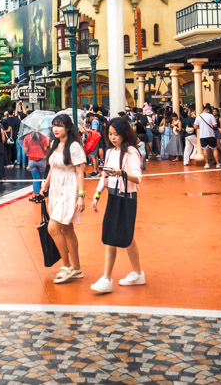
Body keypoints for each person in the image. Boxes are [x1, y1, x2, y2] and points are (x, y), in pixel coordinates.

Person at [90, 117, 145, 294]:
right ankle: (116, 276)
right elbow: (105, 176)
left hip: (127, 198)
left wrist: (121, 173)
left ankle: (113, 277)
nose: (113, 137)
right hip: (114, 197)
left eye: (116, 134)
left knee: (125, 236)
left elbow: (138, 178)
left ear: (124, 133)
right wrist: (97, 194)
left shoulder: (131, 152)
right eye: (110, 134)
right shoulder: (110, 152)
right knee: (111, 236)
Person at [40, 113, 87, 284]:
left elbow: (80, 172)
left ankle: (67, 266)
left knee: (53, 228)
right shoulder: (54, 144)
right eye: (54, 125)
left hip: (69, 188)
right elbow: (52, 168)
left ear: (67, 127)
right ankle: (76, 267)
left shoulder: (73, 146)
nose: (56, 129)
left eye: (59, 125)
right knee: (67, 230)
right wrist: (45, 186)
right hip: (56, 189)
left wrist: (81, 196)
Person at [24, 129, 50, 202]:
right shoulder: (43, 137)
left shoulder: (27, 138)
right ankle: (41, 194)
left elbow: (25, 150)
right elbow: (45, 149)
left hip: (32, 160)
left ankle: (36, 194)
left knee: (36, 178)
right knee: (41, 177)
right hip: (42, 160)